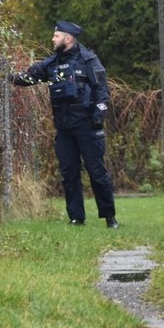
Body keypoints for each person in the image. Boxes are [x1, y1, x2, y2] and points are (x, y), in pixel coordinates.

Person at [11, 21, 119, 229]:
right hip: (64, 128)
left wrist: (99, 116)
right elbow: (28, 77)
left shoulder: (89, 60)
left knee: (97, 172)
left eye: (57, 36)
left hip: (87, 127)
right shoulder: (52, 64)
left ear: (68, 38)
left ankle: (109, 217)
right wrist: (7, 77)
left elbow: (102, 91)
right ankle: (76, 218)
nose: (53, 39)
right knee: (69, 173)